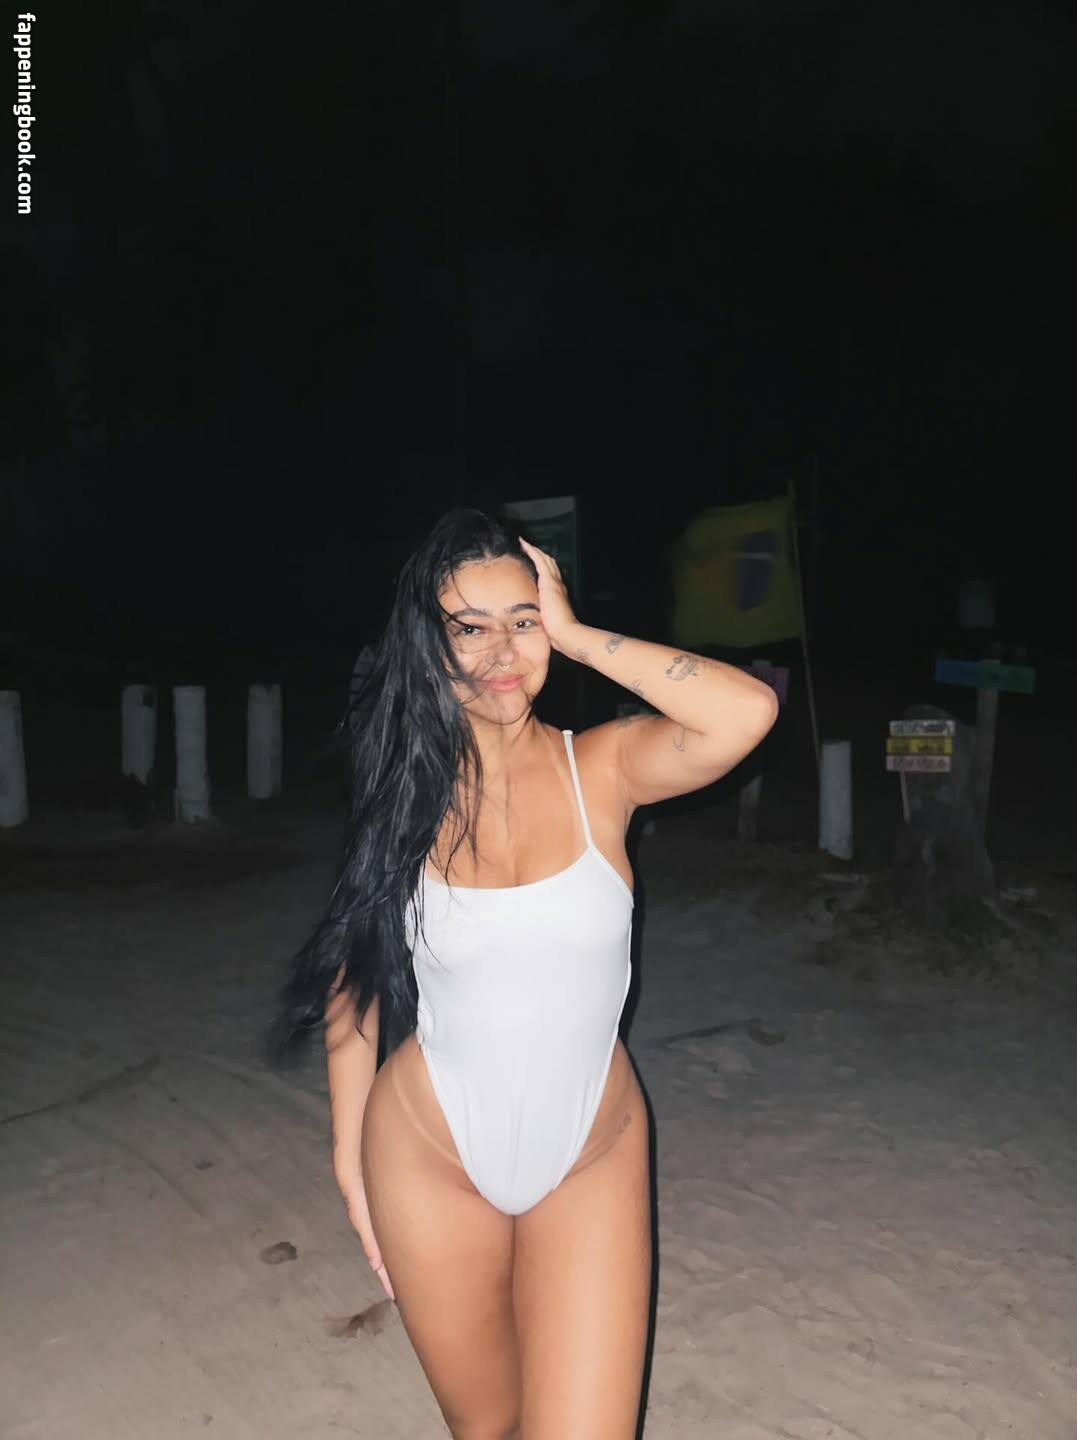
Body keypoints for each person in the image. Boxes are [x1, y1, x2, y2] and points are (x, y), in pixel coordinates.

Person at [274, 507, 778, 1439]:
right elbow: (358, 977)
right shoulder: (401, 797)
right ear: (428, 646)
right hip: (429, 1154)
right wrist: (350, 1164)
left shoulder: (606, 768)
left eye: (522, 621)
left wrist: (579, 636)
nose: (502, 653)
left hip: (589, 1151)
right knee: (490, 1427)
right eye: (468, 628)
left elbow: (746, 711)